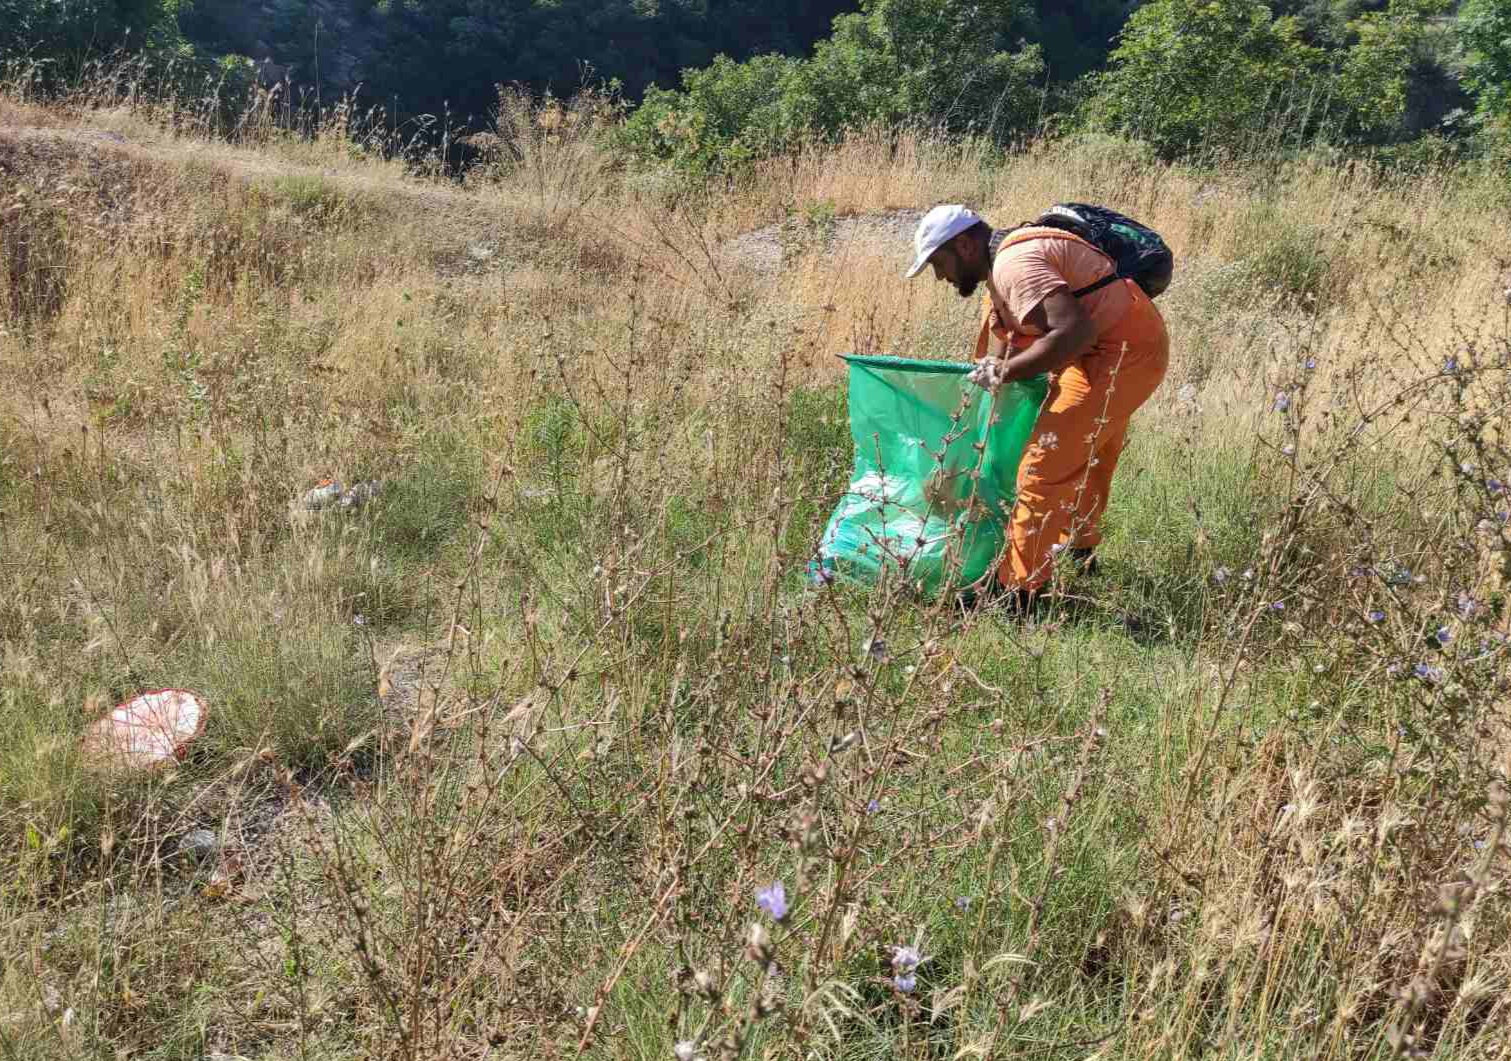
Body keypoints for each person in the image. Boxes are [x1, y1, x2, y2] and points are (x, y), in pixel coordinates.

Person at [905, 203, 1170, 604]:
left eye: (938, 263)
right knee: (1087, 455)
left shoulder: (1016, 264)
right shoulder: (1001, 271)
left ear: (963, 245)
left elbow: (1073, 332)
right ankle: (1080, 554)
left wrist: (1004, 373)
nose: (940, 276)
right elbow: (1010, 347)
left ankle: (1017, 594)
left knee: (1043, 467)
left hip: (1120, 353)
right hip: (1111, 346)